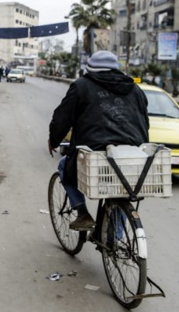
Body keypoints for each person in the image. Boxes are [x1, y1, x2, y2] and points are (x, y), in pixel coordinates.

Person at [47, 51, 149, 230]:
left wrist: (54, 140)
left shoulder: (81, 86)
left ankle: (82, 213)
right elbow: (145, 122)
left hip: (93, 150)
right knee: (123, 191)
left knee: (64, 166)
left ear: (90, 69)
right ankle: (114, 244)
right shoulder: (135, 89)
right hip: (131, 152)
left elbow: (62, 117)